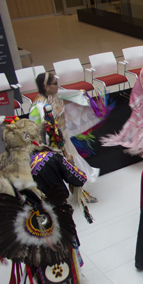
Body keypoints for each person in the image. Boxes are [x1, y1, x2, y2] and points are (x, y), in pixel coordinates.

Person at [30, 72, 100, 203]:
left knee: (73, 163)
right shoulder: (37, 107)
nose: (58, 85)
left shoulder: (54, 96)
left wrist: (79, 96)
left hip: (63, 137)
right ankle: (68, 196)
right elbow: (35, 130)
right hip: (52, 143)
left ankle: (80, 192)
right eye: (55, 83)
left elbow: (65, 98)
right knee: (66, 166)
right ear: (46, 87)